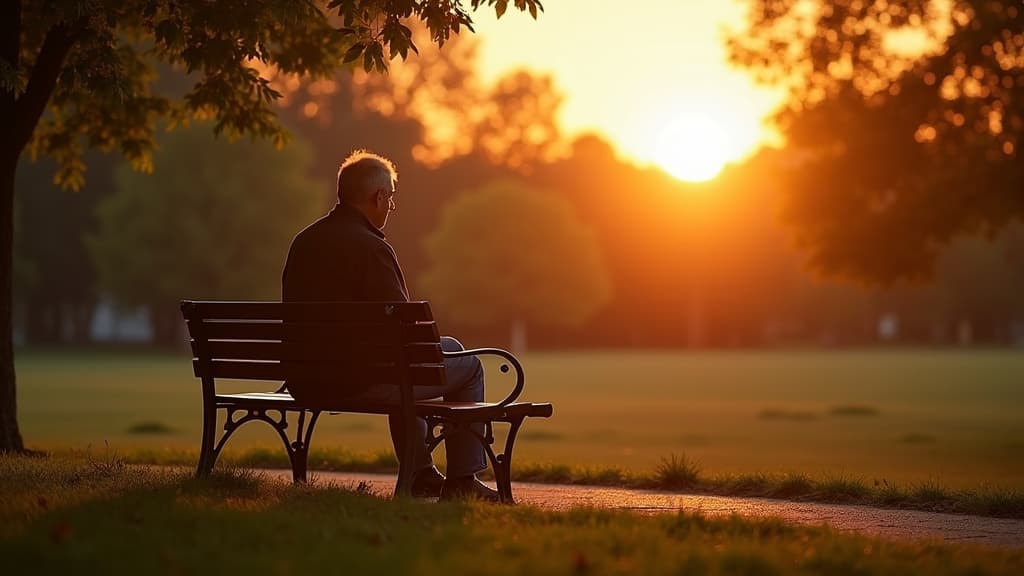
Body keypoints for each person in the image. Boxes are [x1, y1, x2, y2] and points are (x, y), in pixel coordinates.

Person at [281, 149, 497, 501]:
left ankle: (421, 472)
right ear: (378, 196)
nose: (391, 207)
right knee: (469, 366)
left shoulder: (304, 242)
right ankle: (461, 481)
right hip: (355, 380)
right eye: (390, 198)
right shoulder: (371, 247)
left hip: (307, 379)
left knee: (450, 348)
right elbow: (404, 331)